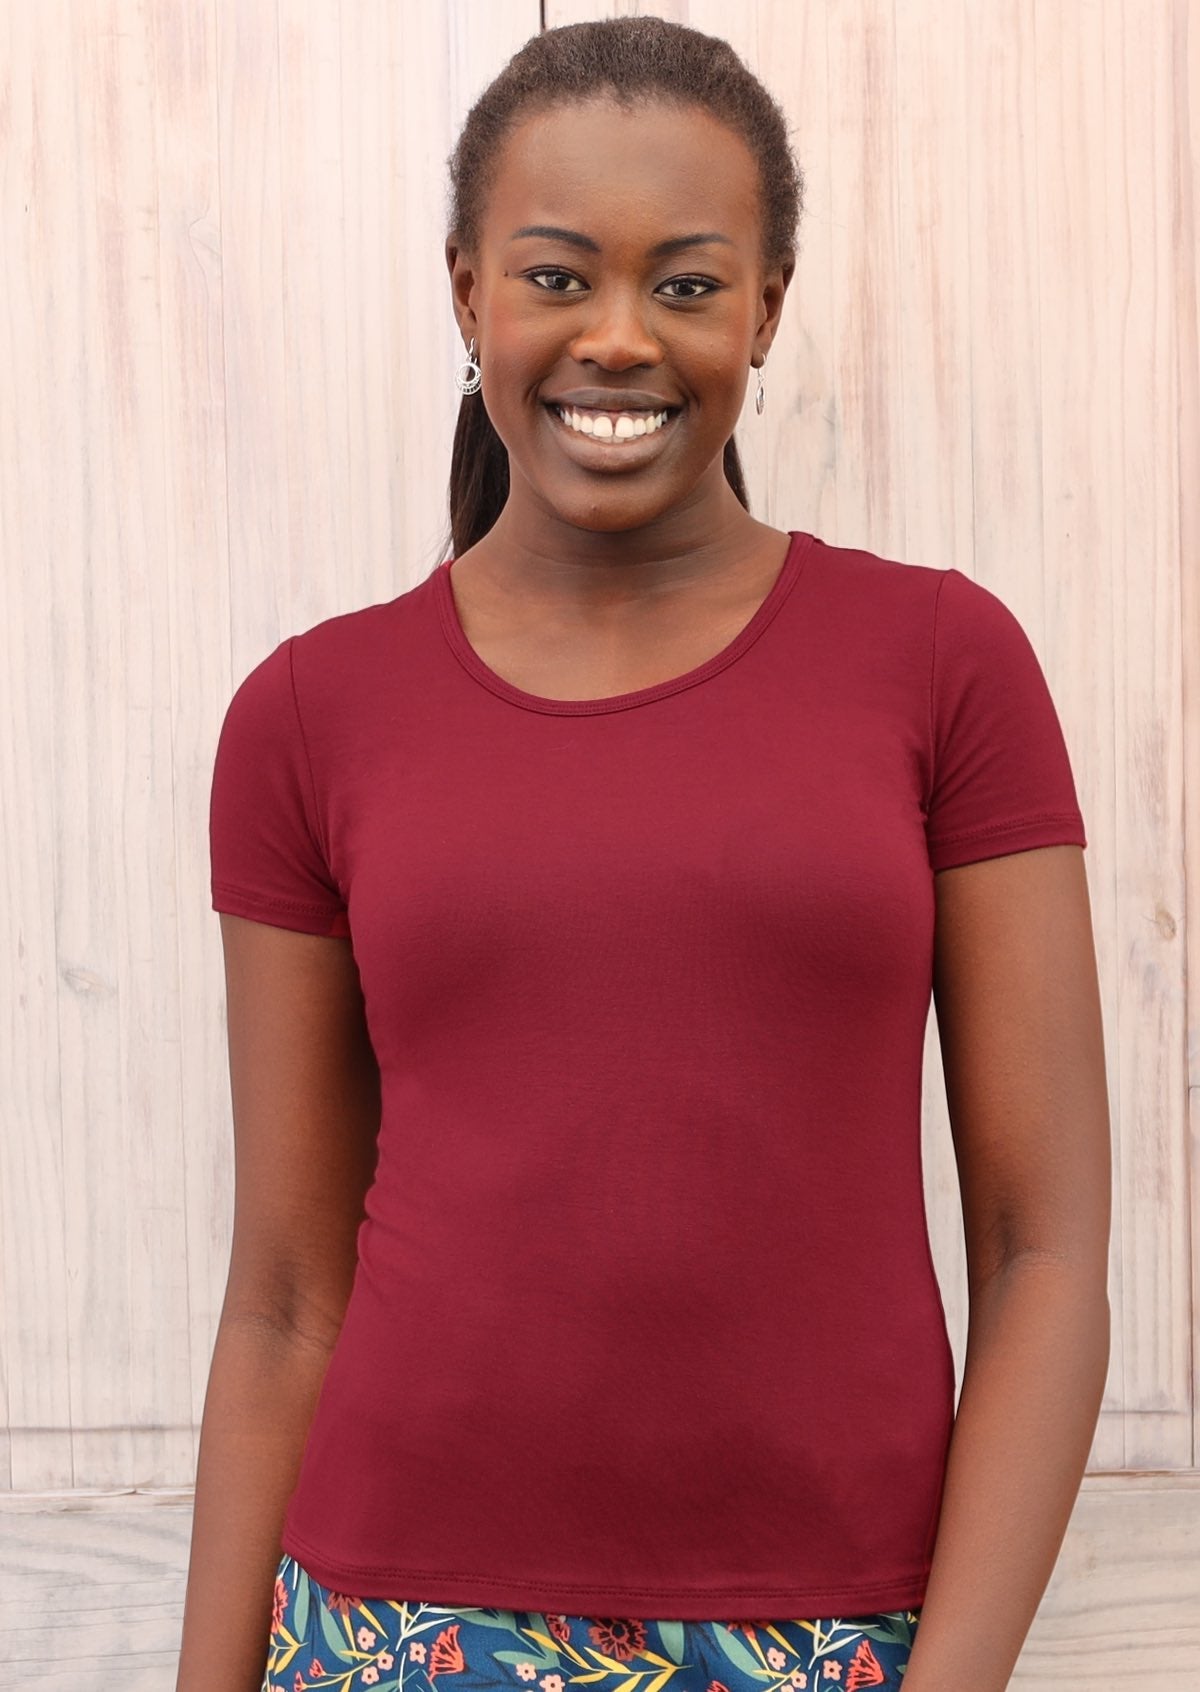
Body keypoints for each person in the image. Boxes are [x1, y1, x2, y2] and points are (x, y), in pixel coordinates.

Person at [176, 18, 1112, 1692]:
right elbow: (287, 1295)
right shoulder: (312, 715)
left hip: (842, 1631)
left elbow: (1043, 1251)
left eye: (686, 285)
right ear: (468, 293)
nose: (620, 338)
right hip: (397, 1626)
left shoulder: (945, 666)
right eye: (556, 277)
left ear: (767, 305)